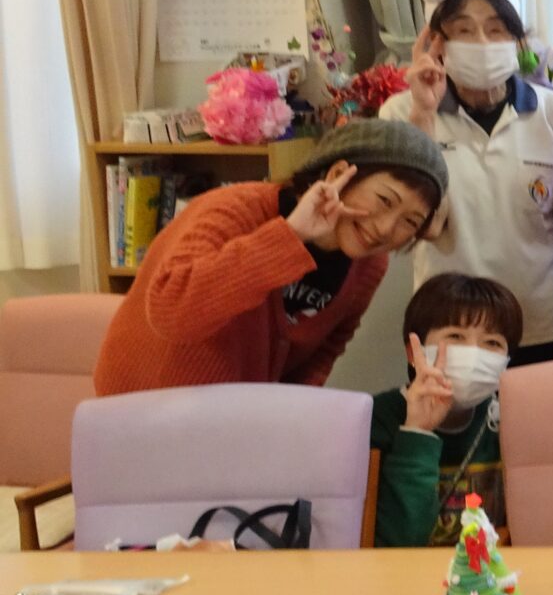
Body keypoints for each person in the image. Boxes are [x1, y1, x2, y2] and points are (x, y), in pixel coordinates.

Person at [95, 120, 448, 396]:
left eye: (410, 221)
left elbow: (323, 352)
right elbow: (171, 312)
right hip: (143, 410)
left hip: (235, 423)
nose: (386, 228)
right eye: (384, 200)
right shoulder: (235, 209)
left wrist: (285, 416)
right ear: (338, 174)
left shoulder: (368, 264)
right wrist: (290, 236)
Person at [385, 0, 553, 364]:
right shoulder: (402, 114)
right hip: (451, 330)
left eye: (496, 29)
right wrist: (424, 116)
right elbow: (427, 225)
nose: (482, 43)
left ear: (518, 42)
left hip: (551, 324)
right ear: (437, 42)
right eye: (464, 30)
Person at [369, 274, 521, 546]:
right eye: (455, 336)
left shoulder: (512, 418)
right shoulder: (376, 419)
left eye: (492, 343)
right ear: (413, 352)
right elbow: (399, 542)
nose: (474, 354)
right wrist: (417, 432)